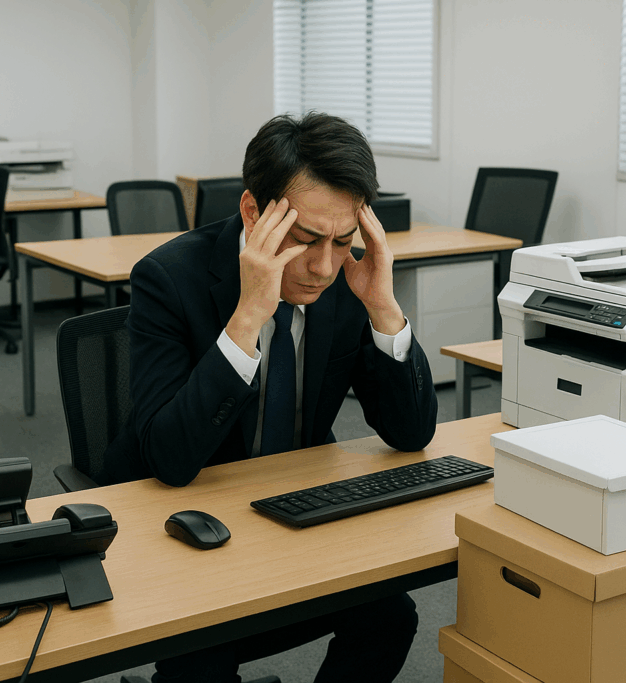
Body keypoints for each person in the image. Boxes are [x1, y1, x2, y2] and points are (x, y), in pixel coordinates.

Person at [102, 112, 439, 683]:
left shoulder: (345, 281)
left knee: (392, 616)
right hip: (185, 524)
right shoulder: (168, 278)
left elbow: (410, 434)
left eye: (343, 242)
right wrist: (247, 319)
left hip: (293, 510)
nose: (323, 266)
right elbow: (171, 459)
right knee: (200, 664)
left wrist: (382, 305)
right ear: (254, 212)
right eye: (305, 239)